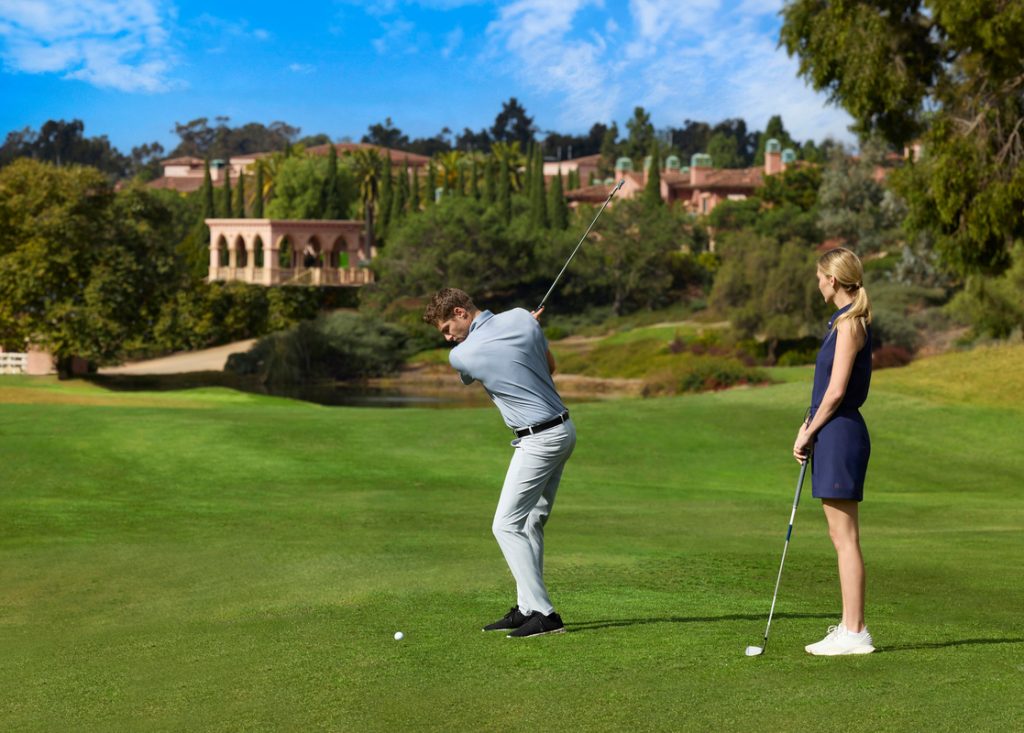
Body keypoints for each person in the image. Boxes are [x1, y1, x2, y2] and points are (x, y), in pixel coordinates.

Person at [423, 288, 575, 638]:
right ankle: (526, 608)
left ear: (461, 312)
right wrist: (529, 333)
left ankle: (545, 614)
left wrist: (521, 337)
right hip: (563, 430)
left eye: (447, 328)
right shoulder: (523, 317)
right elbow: (549, 367)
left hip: (539, 440)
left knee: (505, 525)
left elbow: (473, 366)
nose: (447, 338)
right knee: (530, 522)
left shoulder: (462, 354)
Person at [793, 247, 876, 655]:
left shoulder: (848, 326)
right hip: (833, 431)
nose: (817, 282)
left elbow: (838, 390)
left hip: (840, 434)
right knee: (838, 533)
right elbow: (825, 389)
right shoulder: (842, 323)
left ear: (832, 279)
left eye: (819, 276)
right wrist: (806, 425)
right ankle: (849, 626)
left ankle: (855, 631)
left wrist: (809, 430)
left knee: (845, 537)